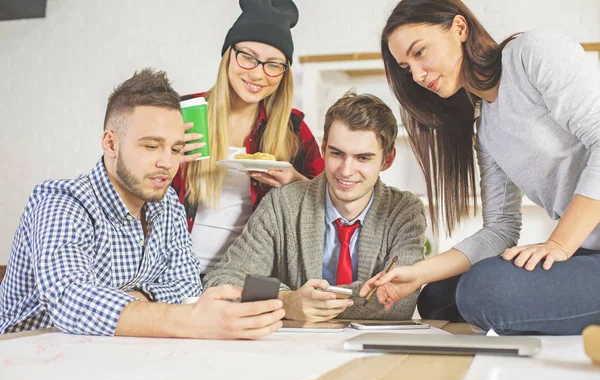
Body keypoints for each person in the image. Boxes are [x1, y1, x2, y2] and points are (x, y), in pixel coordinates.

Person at [360, 0, 600, 335]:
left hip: (578, 252)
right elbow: (500, 230)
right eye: (405, 67)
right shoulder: (485, 130)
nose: (416, 74)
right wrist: (421, 272)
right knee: (437, 297)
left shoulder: (532, 53)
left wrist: (558, 246)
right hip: (587, 256)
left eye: (420, 53)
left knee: (483, 291)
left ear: (459, 28)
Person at [0, 69, 284, 339]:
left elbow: (186, 287)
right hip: (23, 361)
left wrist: (138, 301)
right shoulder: (61, 201)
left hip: (112, 360)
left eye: (176, 149)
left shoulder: (167, 202)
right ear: (111, 144)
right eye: (151, 146)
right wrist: (183, 316)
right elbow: (71, 300)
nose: (168, 162)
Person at [204, 92, 426, 322]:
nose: (346, 170)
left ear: (387, 160)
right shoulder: (282, 204)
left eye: (363, 158)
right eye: (337, 153)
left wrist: (311, 303)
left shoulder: (404, 211)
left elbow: (402, 299)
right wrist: (286, 301)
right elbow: (222, 280)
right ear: (322, 148)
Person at [172, 0, 324, 275]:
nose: (257, 73)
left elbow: (331, 200)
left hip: (249, 278)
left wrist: (296, 182)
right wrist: (165, 162)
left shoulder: (294, 129)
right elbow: (130, 186)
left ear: (284, 73)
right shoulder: (182, 113)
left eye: (273, 64)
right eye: (248, 57)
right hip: (174, 275)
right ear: (228, 54)